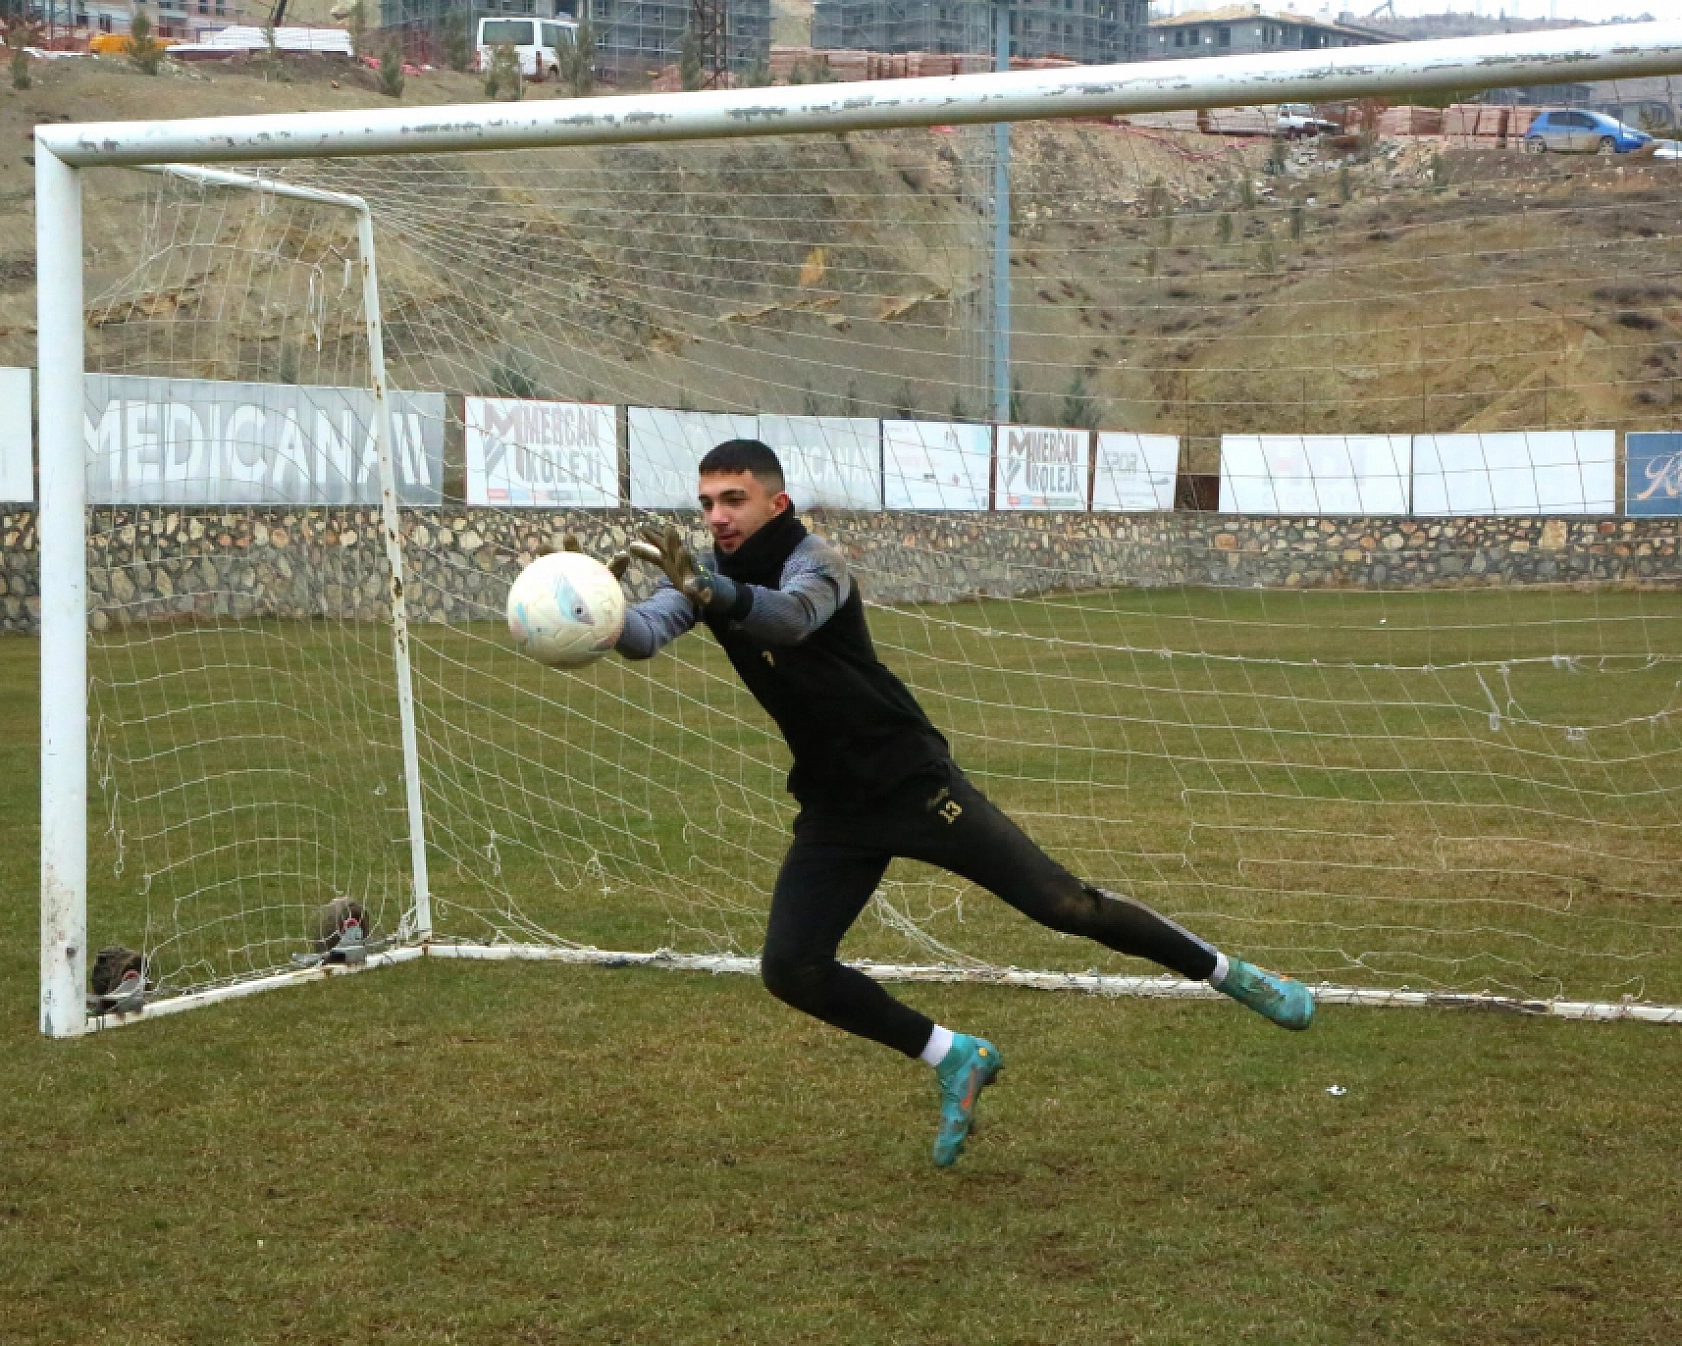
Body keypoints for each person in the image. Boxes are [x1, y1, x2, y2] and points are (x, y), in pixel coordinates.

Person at [592, 439, 1314, 1169]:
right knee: (792, 968)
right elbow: (647, 635)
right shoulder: (704, 573)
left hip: (913, 784)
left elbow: (788, 619)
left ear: (776, 504)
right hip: (836, 807)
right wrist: (595, 608)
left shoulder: (817, 562)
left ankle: (1236, 975)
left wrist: (713, 592)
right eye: (707, 502)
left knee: (1066, 906)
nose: (716, 516)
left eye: (733, 499)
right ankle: (954, 1055)